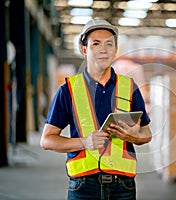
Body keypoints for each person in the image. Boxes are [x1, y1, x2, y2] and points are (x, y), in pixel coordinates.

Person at [40, 18, 152, 200]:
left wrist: (133, 136)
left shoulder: (129, 87)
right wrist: (84, 143)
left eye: (109, 44)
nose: (103, 50)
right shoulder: (68, 90)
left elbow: (147, 133)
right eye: (96, 44)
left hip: (123, 186)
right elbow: (47, 140)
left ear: (115, 50)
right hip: (83, 186)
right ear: (85, 50)